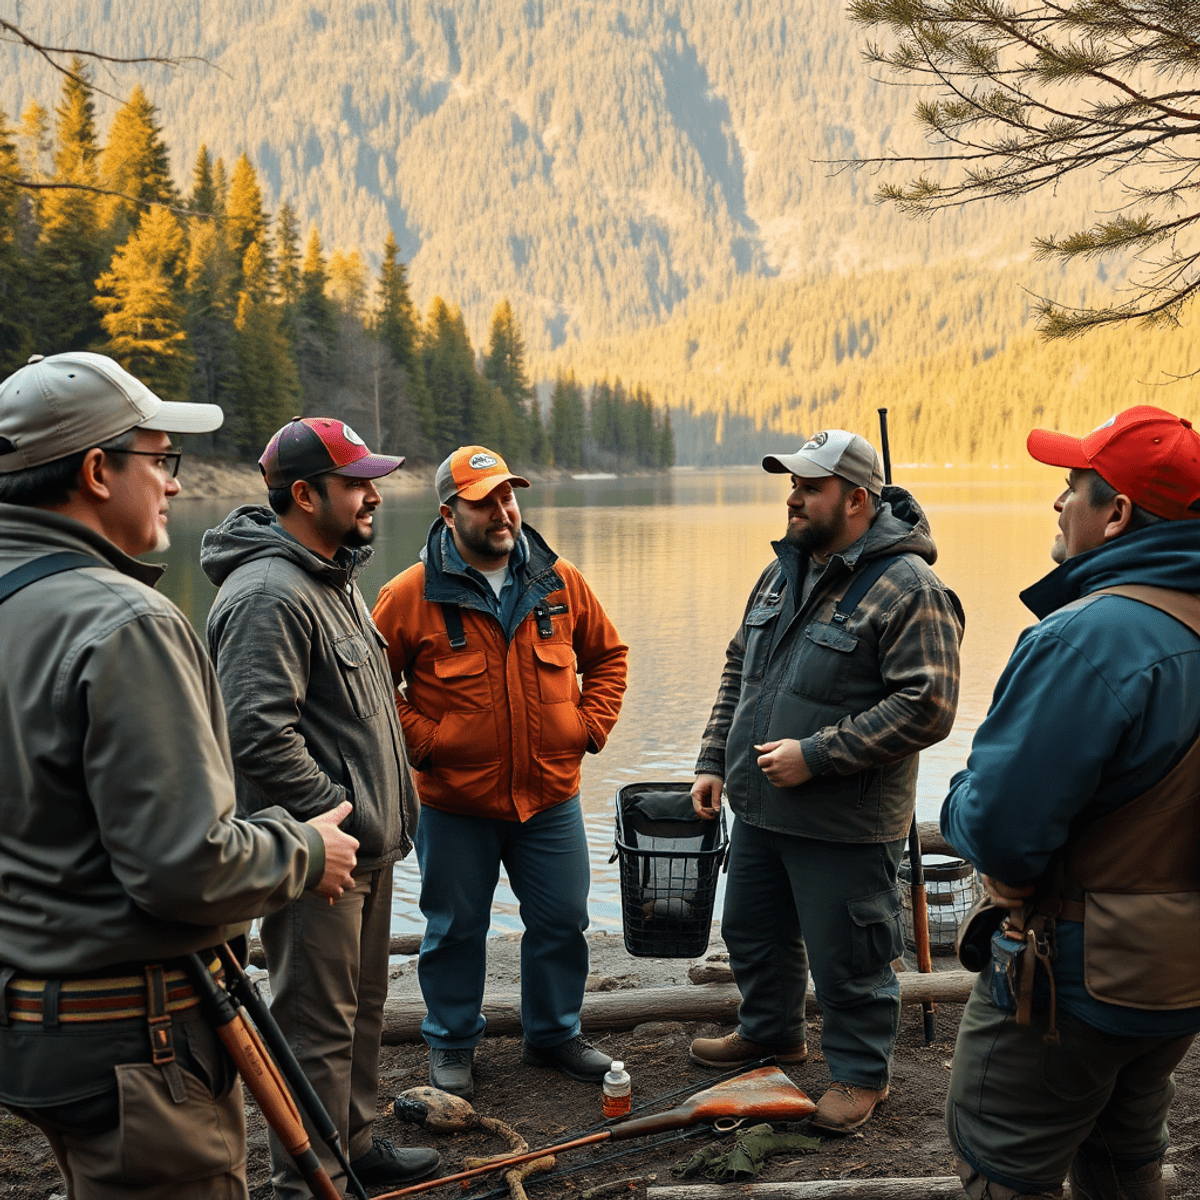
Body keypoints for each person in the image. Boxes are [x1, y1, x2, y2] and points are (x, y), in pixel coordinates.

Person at [0, 353, 360, 1200]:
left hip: (31, 1031)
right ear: (98, 471)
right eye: (161, 459)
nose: (172, 483)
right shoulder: (125, 622)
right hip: (135, 1044)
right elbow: (185, 867)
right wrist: (305, 849)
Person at [942, 406, 1200, 1200]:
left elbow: (1001, 833)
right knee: (1126, 1150)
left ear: (1115, 512)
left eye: (1071, 485)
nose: (1058, 502)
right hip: (1182, 974)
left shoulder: (1085, 638)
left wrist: (956, 799)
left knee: (1003, 1162)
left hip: (1073, 979)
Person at [687, 429, 964, 1133]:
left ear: (857, 499)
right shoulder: (782, 571)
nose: (793, 498)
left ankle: (861, 1075)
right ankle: (772, 1034)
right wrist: (713, 759)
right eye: (793, 485)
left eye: (810, 488)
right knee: (752, 931)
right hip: (760, 806)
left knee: (850, 958)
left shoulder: (911, 589)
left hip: (846, 821)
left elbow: (928, 706)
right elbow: (738, 666)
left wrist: (817, 754)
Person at [201, 417, 438, 1196]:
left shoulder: (330, 576)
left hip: (363, 849)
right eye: (356, 483)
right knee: (314, 1027)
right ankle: (309, 1184)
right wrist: (333, 814)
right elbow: (255, 732)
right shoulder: (269, 593)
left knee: (360, 1011)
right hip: (319, 857)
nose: (375, 495)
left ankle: (355, 1145)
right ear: (304, 495)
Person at [372, 445, 628, 1098]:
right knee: (455, 929)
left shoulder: (559, 581)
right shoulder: (408, 595)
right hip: (455, 803)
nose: (502, 511)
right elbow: (371, 688)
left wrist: (586, 728)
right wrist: (426, 742)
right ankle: (452, 1042)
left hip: (550, 798)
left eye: (508, 496)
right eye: (483, 501)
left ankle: (554, 1034)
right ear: (448, 513)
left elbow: (608, 657)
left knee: (562, 920)